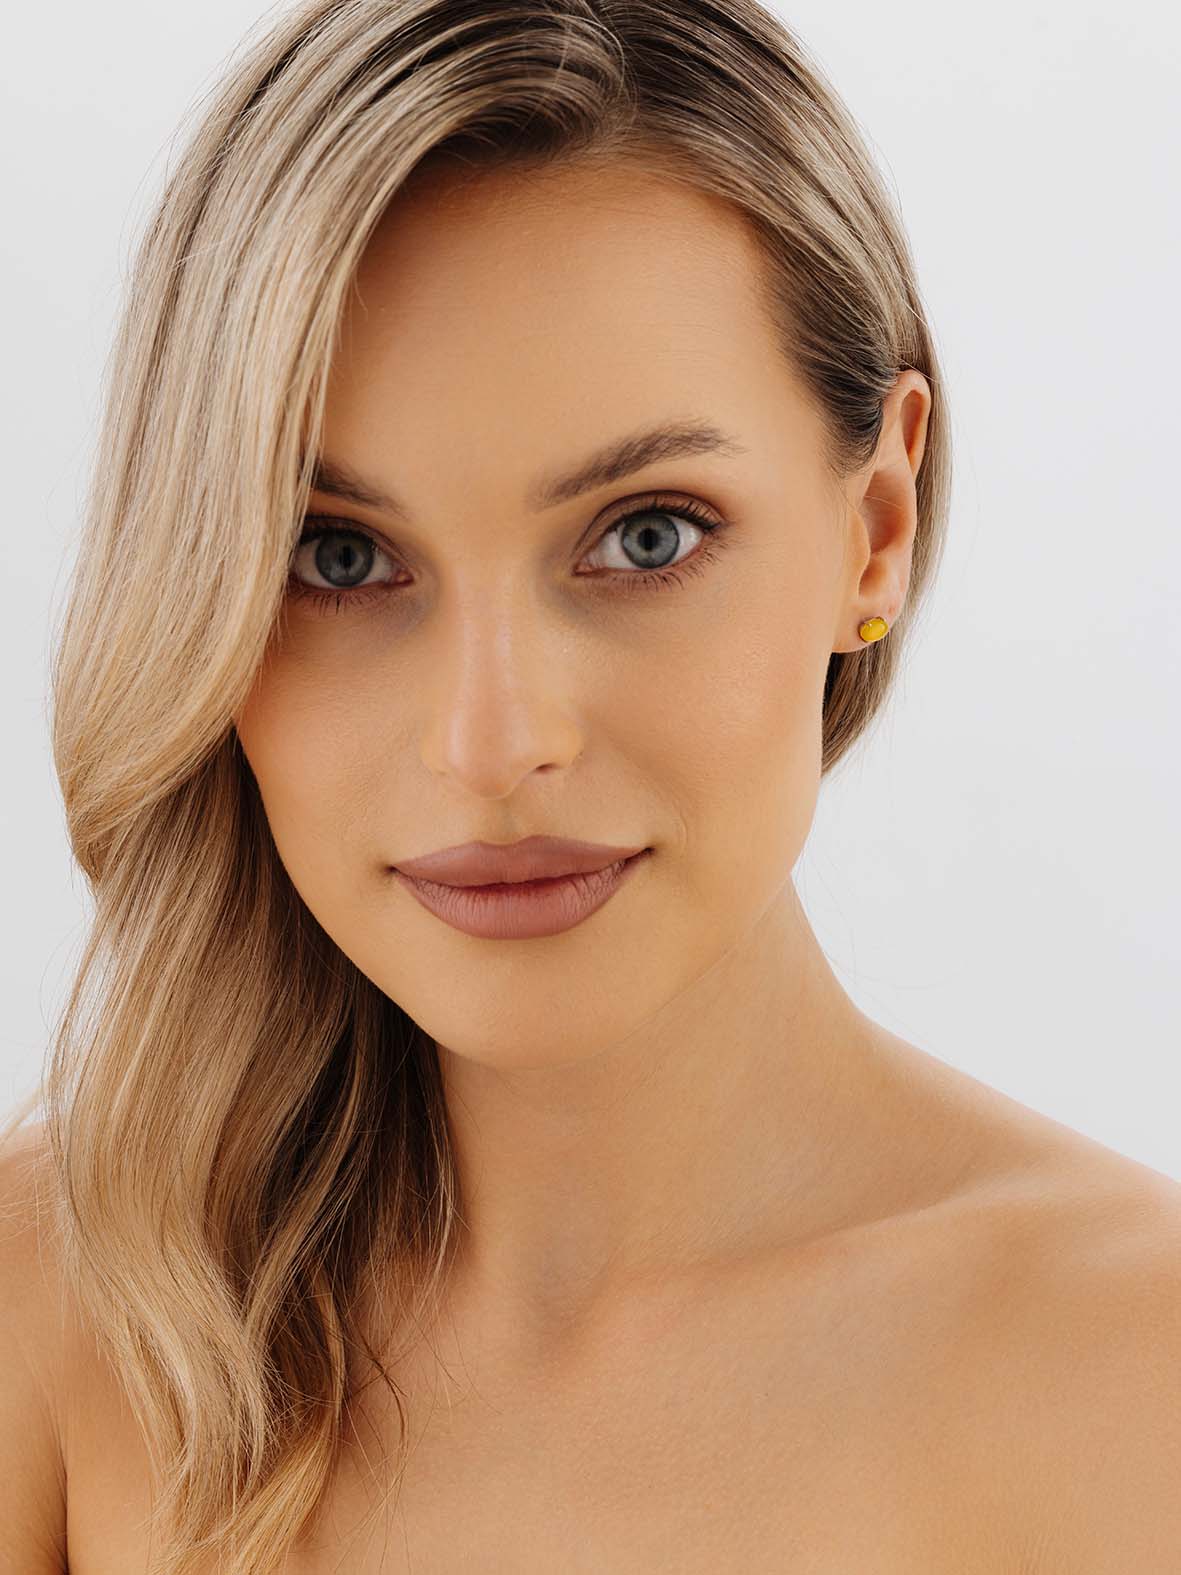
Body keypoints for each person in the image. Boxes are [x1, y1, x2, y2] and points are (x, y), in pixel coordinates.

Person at [3, 1, 1179, 1571]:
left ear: (874, 527)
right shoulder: (64, 1308)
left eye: (644, 536)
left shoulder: (1135, 1381)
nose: (493, 744)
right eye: (335, 558)